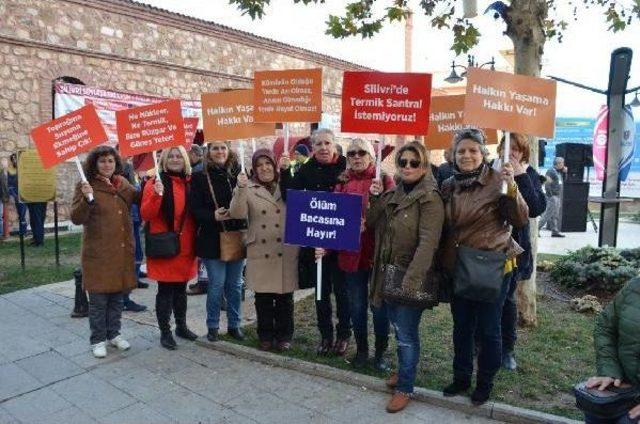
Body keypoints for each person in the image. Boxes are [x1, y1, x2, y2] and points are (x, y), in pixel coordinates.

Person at [440, 127, 529, 405]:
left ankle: (485, 383)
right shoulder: (449, 185)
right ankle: (461, 377)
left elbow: (520, 218)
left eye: (473, 150)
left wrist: (511, 187)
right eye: (461, 150)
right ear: (453, 155)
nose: (466, 155)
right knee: (461, 327)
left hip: (491, 267)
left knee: (489, 329)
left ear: (483, 153)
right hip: (459, 267)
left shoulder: (497, 180)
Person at [367, 141, 444, 413]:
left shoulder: (430, 198)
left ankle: (405, 387)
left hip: (410, 276)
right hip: (387, 274)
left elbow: (428, 244)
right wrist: (375, 196)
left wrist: (411, 282)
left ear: (424, 166)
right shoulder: (394, 192)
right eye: (403, 162)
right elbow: (372, 221)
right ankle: (403, 372)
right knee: (397, 328)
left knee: (406, 334)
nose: (408, 167)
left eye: (414, 162)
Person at [279, 128, 350, 356]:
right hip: (317, 245)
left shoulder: (346, 166)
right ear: (312, 147)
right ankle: (325, 336)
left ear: (334, 145)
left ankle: (343, 336)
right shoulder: (306, 169)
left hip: (340, 244)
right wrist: (283, 173)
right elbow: (292, 197)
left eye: (327, 143)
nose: (323, 148)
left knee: (342, 293)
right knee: (321, 294)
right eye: (318, 144)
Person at [70, 146, 138, 358]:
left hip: (120, 252)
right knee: (99, 302)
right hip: (98, 254)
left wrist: (154, 185)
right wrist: (87, 199)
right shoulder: (85, 185)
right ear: (94, 164)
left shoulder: (123, 184)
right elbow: (76, 217)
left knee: (117, 298)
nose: (107, 165)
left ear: (116, 163)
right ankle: (98, 339)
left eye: (110, 160)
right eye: (102, 161)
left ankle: (114, 334)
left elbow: (140, 198)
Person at [332, 138, 394, 370]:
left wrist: (370, 221)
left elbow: (394, 217)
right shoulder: (342, 184)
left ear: (371, 156)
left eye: (361, 152)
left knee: (379, 307)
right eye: (351, 153)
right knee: (356, 306)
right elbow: (332, 219)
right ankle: (361, 350)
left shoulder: (385, 180)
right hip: (351, 255)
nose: (356, 157)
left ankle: (380, 353)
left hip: (377, 254)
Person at [228, 149, 298, 351]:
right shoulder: (247, 187)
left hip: (285, 248)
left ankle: (284, 335)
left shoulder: (286, 183)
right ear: (254, 169)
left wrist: (287, 172)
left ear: (274, 165)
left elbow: (298, 203)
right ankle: (265, 335)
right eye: (260, 165)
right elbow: (237, 213)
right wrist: (240, 189)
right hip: (261, 249)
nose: (264, 168)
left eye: (268, 163)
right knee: (264, 298)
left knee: (285, 298)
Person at [495, 133, 547, 371]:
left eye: (516, 149)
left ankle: (507, 350)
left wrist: (519, 177)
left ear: (523, 152)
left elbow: (535, 208)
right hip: (487, 247)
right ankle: (481, 344)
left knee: (507, 300)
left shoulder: (530, 174)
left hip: (513, 250)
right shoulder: (490, 170)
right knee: (483, 297)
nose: (511, 152)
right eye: (507, 147)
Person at [141, 146, 199, 350]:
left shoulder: (190, 182)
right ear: (163, 160)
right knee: (165, 291)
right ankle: (165, 331)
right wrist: (156, 195)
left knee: (181, 289)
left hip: (185, 246)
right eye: (170, 156)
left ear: (185, 160)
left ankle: (181, 326)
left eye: (178, 156)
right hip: (164, 245)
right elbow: (146, 215)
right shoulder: (154, 182)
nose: (175, 159)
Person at [190, 141, 247, 342]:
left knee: (235, 284)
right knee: (216, 284)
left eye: (223, 148)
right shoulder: (198, 177)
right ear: (208, 152)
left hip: (236, 236)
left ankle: (235, 324)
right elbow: (194, 209)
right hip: (211, 239)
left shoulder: (239, 174)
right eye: (215, 148)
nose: (220, 152)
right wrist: (212, 216)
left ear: (229, 150)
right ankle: (212, 325)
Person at [584, 276, 640, 424]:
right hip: (628, 382)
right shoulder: (634, 287)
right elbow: (606, 328)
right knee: (596, 412)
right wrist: (610, 370)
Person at [538, 156, 567, 238]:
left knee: (555, 215)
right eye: (562, 163)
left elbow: (562, 181)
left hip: (557, 196)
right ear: (558, 163)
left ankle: (555, 231)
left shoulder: (558, 172)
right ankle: (537, 228)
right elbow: (547, 183)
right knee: (548, 214)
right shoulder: (551, 171)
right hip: (553, 196)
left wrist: (565, 172)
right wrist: (551, 195)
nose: (563, 164)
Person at [6, 154, 27, 236]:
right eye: (13, 159)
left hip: (23, 196)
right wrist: (14, 195)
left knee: (22, 215)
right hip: (16, 196)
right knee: (20, 214)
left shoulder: (23, 170)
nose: (14, 160)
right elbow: (9, 185)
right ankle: (22, 231)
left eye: (15, 158)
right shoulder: (10, 171)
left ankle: (23, 232)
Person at [0, 164, 8, 240]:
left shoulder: (1, 172)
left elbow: (4, 185)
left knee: (0, 217)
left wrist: (5, 197)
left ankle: (0, 235)